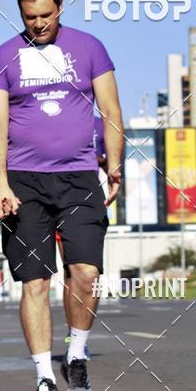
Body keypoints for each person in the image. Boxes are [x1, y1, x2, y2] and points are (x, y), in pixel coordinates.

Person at [0, 0, 123, 391]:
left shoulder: (90, 48)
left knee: (85, 271)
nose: (39, 24)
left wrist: (115, 163)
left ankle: (76, 354)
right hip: (24, 182)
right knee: (35, 281)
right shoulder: (2, 57)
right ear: (19, 13)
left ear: (61, 6)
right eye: (30, 17)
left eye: (46, 15)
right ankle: (44, 375)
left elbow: (111, 110)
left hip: (79, 177)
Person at [62, 113, 108, 356]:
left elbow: (111, 160)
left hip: (89, 196)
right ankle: (73, 334)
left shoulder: (101, 124)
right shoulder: (59, 116)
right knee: (71, 269)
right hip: (60, 196)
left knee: (89, 272)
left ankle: (80, 336)